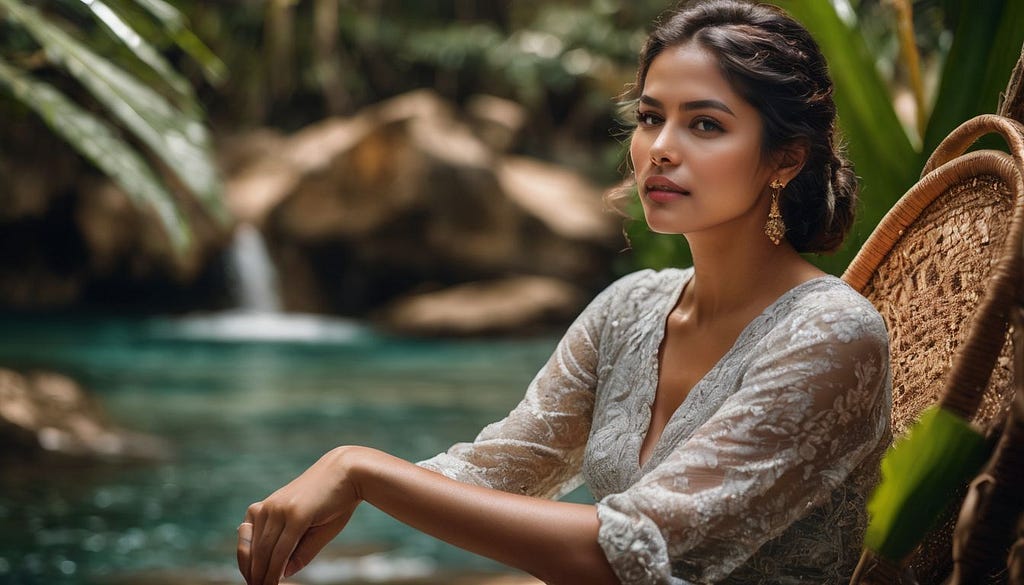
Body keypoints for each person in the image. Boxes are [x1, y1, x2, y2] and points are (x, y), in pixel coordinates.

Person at [236, 1, 892, 583]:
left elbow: (621, 555)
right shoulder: (630, 308)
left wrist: (361, 470)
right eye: (650, 117)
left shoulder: (830, 332)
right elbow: (497, 469)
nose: (660, 149)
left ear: (787, 158)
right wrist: (330, 498)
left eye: (705, 125)